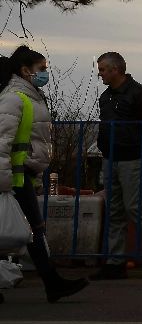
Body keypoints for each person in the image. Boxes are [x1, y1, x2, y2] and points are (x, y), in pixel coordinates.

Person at [0, 46, 89, 303]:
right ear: (25, 71)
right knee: (33, 230)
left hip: (20, 175)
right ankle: (52, 283)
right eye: (42, 69)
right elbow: (3, 141)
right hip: (13, 177)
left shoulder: (29, 97)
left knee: (32, 230)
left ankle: (53, 283)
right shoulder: (14, 98)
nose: (45, 74)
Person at [90, 51, 142, 280]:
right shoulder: (106, 96)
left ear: (115, 69)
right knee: (115, 210)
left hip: (133, 157)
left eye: (102, 69)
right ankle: (115, 262)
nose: (100, 73)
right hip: (111, 157)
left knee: (134, 207)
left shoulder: (138, 94)